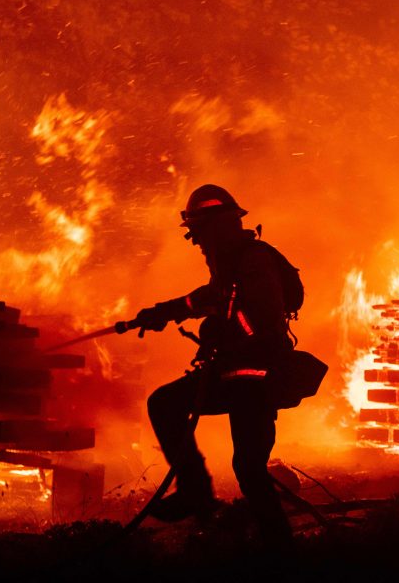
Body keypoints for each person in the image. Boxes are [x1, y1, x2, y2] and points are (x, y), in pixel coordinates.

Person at [131, 184, 300, 547]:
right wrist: (163, 312)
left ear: (218, 227)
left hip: (257, 379)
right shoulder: (230, 265)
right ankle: (198, 496)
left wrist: (224, 328)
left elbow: (265, 325)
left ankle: (281, 554)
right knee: (164, 403)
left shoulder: (254, 260)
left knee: (249, 470)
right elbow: (209, 298)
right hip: (234, 375)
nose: (195, 242)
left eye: (198, 232)